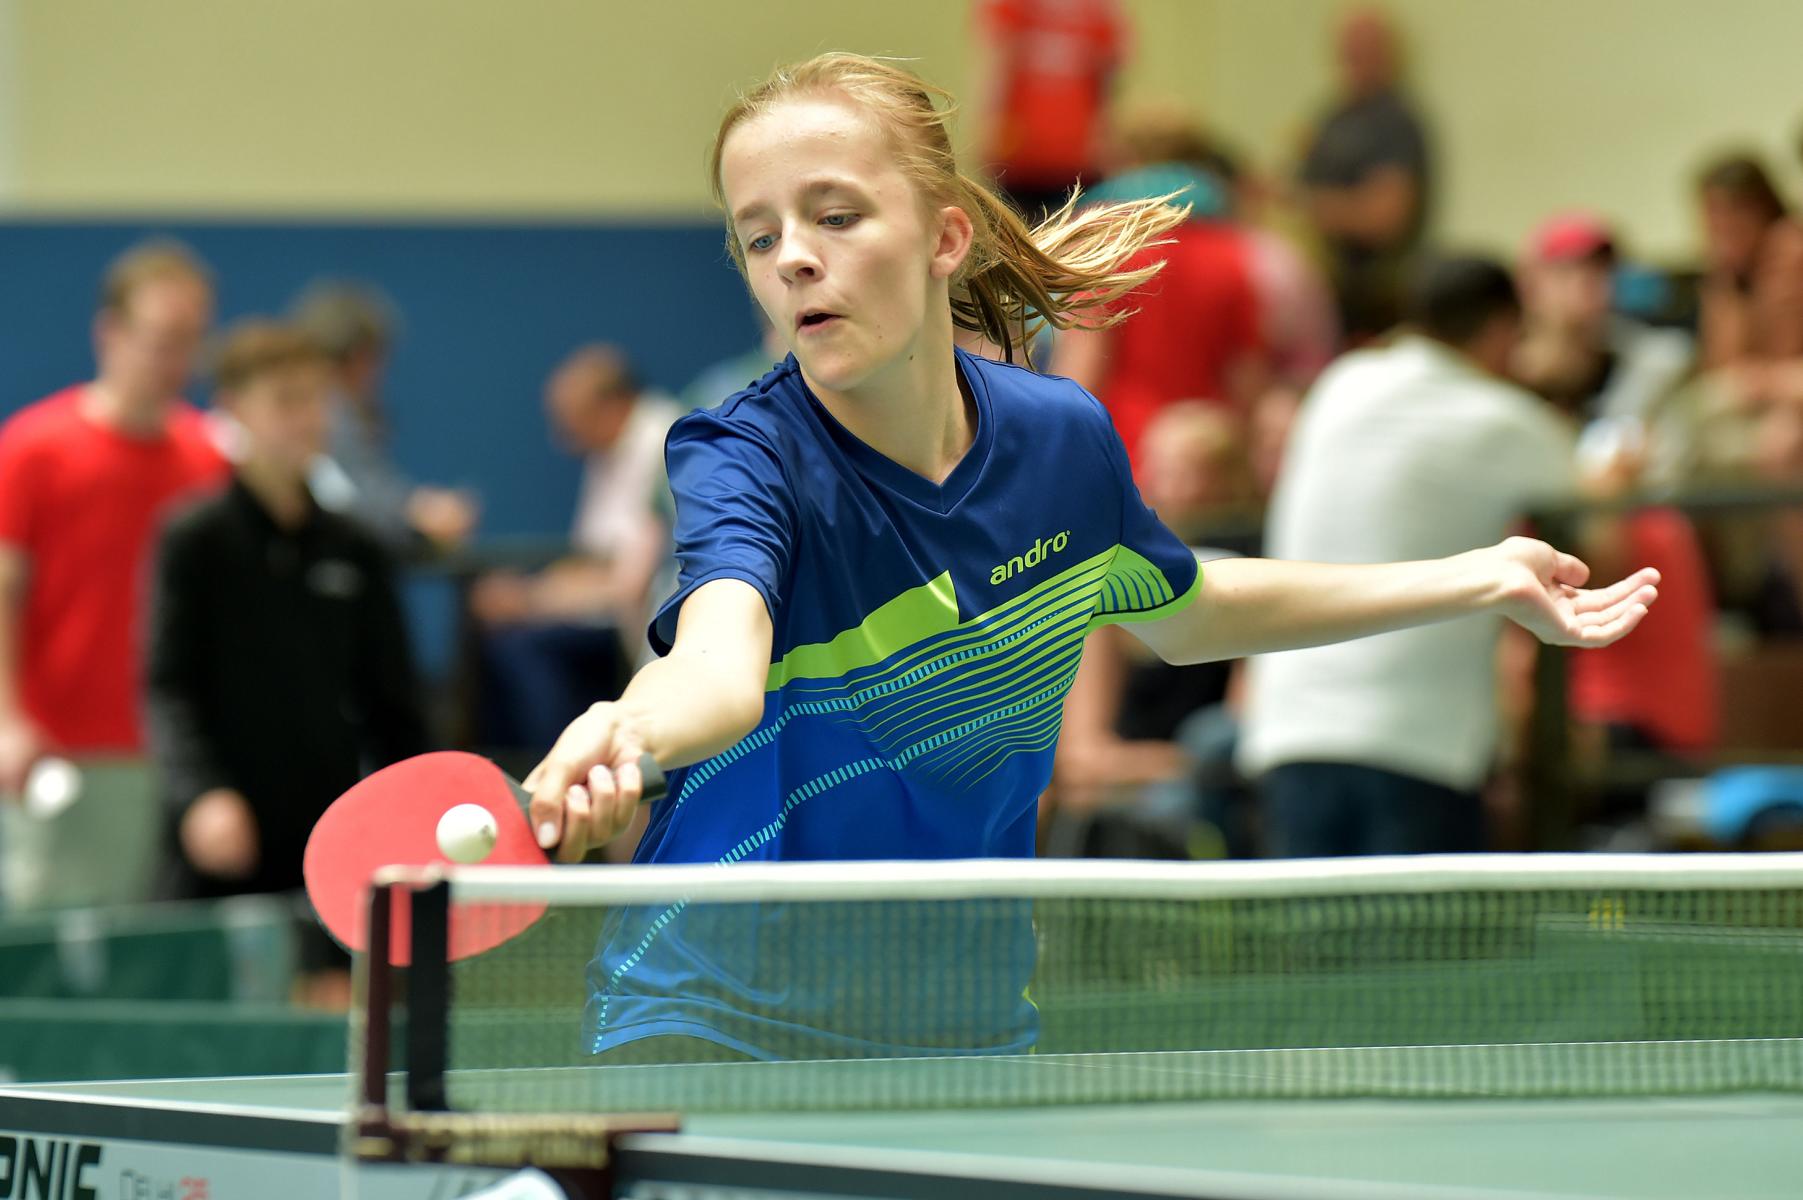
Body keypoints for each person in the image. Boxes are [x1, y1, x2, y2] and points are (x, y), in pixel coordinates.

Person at [521, 55, 1656, 1063]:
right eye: (759, 236)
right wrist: (626, 730)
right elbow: (717, 666)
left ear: (945, 238)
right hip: (718, 1021)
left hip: (958, 1026)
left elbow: (1193, 610)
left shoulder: (1058, 442)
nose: (795, 261)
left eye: (836, 216)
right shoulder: (742, 452)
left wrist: (1478, 577)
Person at [1238, 257, 1581, 858]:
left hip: (1290, 731)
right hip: (1419, 748)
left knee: (1303, 926)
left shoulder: (1339, 385)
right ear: (1502, 330)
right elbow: (1601, 507)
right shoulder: (1504, 419)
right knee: (1420, 927)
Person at [147, 320, 430, 914]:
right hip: (219, 846)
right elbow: (169, 689)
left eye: (316, 399)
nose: (306, 418)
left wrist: (419, 808)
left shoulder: (356, 547)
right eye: (285, 400)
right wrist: (202, 795)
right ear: (233, 410)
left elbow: (394, 705)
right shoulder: (194, 540)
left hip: (326, 839)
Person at [0, 240, 230, 909]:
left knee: (158, 940)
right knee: (49, 939)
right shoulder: (35, 448)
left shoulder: (209, 457)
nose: (176, 361)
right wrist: (7, 719)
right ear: (111, 333)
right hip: (60, 749)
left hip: (172, 753)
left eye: (191, 340)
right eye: (161, 339)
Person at [472, 345, 681, 755]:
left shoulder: (666, 442)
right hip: (617, 613)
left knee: (521, 647)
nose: (562, 440)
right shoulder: (613, 448)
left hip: (649, 625)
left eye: (570, 422)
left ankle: (561, 769)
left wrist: (530, 599)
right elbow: (593, 557)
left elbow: (628, 583)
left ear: (610, 406)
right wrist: (531, 595)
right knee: (496, 633)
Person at [1052, 164, 1269, 478]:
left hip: (1127, 451)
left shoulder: (1109, 256)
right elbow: (1247, 376)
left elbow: (1081, 376)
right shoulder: (1230, 257)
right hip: (1206, 455)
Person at [289, 280, 478, 553]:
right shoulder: (329, 412)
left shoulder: (346, 412)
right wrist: (416, 512)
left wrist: (414, 508)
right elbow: (345, 499)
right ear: (361, 357)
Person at [1295, 5, 1433, 343]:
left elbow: (1385, 218)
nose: (1355, 57)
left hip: (1372, 298)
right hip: (1326, 292)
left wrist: (1314, 206)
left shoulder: (1395, 123)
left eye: (1367, 47)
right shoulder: (1332, 116)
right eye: (1350, 47)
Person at [975, 0, 1128, 219]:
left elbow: (1108, 73)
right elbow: (1000, 62)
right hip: (1025, 151)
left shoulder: (1100, 8)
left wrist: (1106, 137)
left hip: (1071, 152)